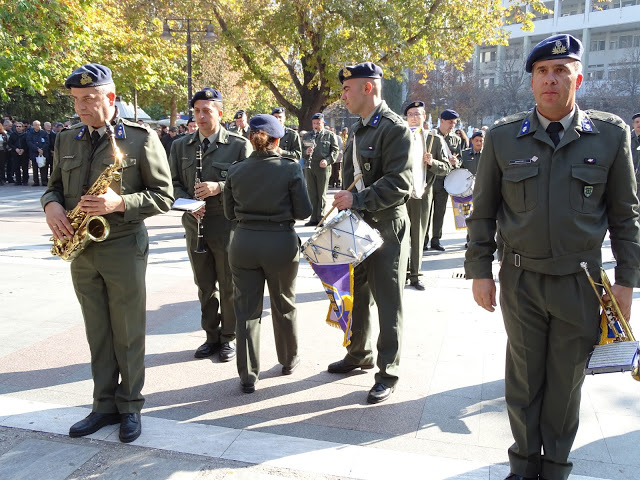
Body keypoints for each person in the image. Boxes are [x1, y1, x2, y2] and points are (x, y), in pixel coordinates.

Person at [465, 34, 640, 480]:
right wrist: (480, 272)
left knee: (566, 384)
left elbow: (626, 215)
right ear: (532, 82)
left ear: (577, 78)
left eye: (561, 70)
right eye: (542, 71)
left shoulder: (609, 135)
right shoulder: (504, 138)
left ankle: (556, 467)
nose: (551, 79)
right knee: (523, 381)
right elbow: (482, 212)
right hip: (521, 280)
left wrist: (626, 282)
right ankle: (523, 466)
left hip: (582, 282)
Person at [42, 63, 174, 443]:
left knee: (127, 331)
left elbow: (163, 196)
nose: (80, 107)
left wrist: (120, 203)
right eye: (76, 101)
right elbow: (52, 187)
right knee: (97, 330)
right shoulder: (67, 137)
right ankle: (103, 404)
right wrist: (50, 205)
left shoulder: (140, 137)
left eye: (88, 99)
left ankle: (130, 405)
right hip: (81, 248)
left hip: (123, 245)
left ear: (110, 98)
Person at [329, 62, 412, 404]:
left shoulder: (394, 128)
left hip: (385, 226)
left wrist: (357, 198)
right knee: (355, 292)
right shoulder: (361, 128)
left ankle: (387, 372)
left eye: (348, 88)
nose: (343, 95)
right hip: (358, 223)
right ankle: (357, 353)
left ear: (368, 88)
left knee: (388, 301)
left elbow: (401, 184)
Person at [223, 114, 312, 393]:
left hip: (244, 242)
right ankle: (288, 359)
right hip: (280, 243)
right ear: (277, 140)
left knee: (246, 310)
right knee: (283, 303)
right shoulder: (289, 167)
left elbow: (228, 213)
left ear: (251, 138)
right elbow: (304, 212)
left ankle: (248, 375)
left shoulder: (236, 170)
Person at [169, 87, 252, 362]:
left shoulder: (239, 145)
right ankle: (211, 336)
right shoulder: (181, 145)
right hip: (195, 223)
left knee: (228, 284)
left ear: (220, 112)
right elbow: (172, 184)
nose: (201, 117)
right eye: (197, 111)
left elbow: (251, 184)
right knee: (204, 285)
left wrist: (219, 186)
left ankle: (228, 337)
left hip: (226, 225)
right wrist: (187, 204)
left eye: (207, 111)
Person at [404, 101, 451, 290]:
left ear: (425, 117)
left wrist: (433, 163)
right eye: (410, 114)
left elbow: (447, 167)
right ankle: (400, 272)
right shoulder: (400, 137)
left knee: (417, 235)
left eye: (418, 114)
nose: (414, 117)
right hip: (400, 193)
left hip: (422, 193)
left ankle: (414, 275)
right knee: (399, 236)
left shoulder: (434, 140)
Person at [301, 112, 339, 226]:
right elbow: (301, 150)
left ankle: (321, 217)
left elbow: (335, 150)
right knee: (312, 192)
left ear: (323, 123)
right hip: (310, 165)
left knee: (321, 193)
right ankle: (313, 217)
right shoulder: (307, 135)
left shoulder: (329, 135)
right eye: (314, 123)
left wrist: (327, 160)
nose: (316, 125)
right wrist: (306, 152)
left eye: (318, 123)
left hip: (323, 166)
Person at [26, 120, 50, 186]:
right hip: (34, 153)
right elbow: (29, 142)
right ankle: (36, 182)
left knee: (44, 168)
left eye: (38, 125)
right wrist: (37, 149)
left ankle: (44, 181)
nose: (37, 126)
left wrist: (42, 149)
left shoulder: (44, 133)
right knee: (35, 168)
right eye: (35, 125)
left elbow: (47, 142)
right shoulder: (30, 133)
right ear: (33, 126)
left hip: (43, 152)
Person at [8, 121, 28, 185]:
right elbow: (10, 143)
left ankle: (25, 180)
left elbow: (28, 143)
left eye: (20, 126)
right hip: (15, 153)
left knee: (25, 167)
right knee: (16, 167)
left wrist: (23, 149)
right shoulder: (13, 135)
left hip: (24, 153)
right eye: (17, 126)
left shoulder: (26, 135)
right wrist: (15, 148)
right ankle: (18, 181)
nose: (18, 128)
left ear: (22, 127)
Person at [631, 112, 640, 190]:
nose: (639, 124)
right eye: (637, 122)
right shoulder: (627, 139)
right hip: (630, 177)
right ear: (633, 124)